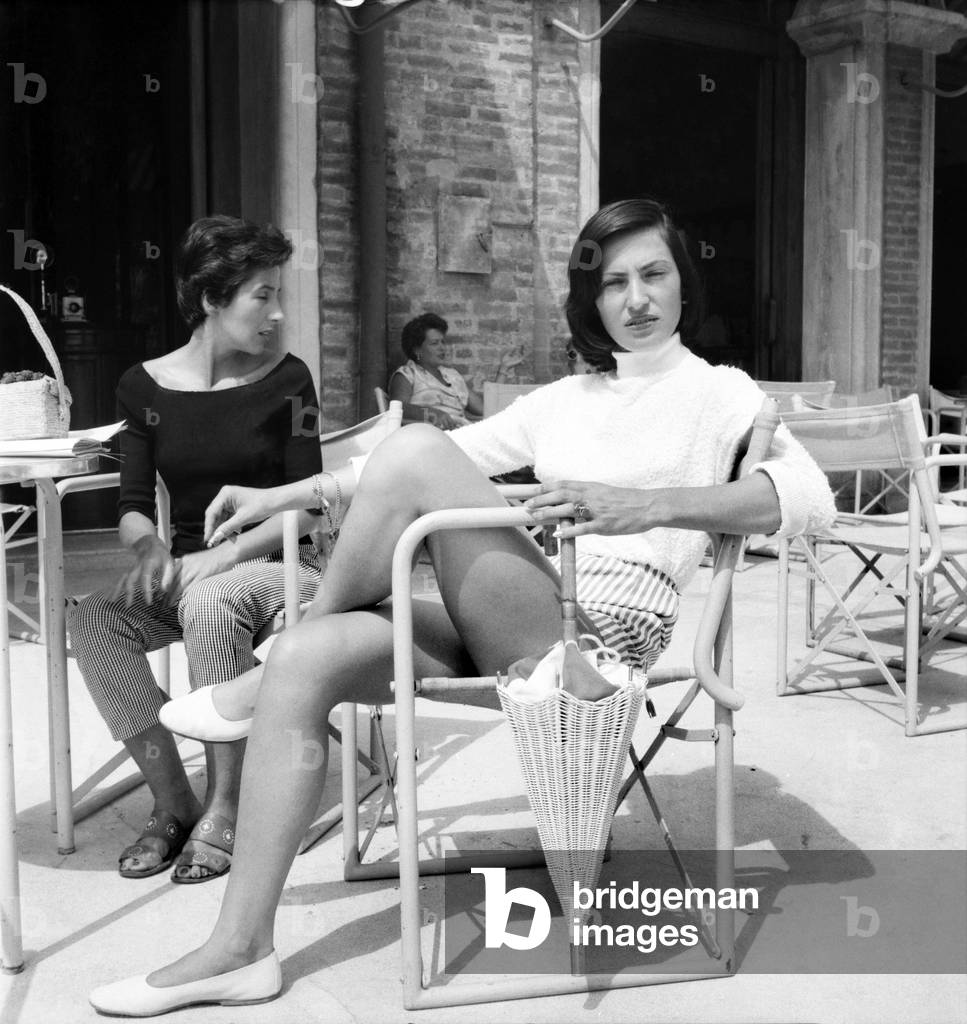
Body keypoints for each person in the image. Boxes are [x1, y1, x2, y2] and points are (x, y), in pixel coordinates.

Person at [89, 197, 835, 1015]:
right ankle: (238, 951)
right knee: (311, 656)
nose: (636, 299)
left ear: (684, 283)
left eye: (654, 274)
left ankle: (256, 674)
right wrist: (285, 492)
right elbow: (423, 462)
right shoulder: (569, 398)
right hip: (514, 618)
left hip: (598, 642)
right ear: (592, 300)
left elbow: (808, 496)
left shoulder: (718, 392)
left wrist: (642, 506)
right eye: (614, 282)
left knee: (415, 450)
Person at [69, 215, 323, 885]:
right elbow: (128, 504)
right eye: (260, 295)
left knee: (210, 599)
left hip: (281, 570)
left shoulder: (288, 379)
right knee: (92, 618)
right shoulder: (142, 387)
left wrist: (225, 556)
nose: (276, 312)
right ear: (211, 299)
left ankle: (227, 805)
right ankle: (172, 798)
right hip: (185, 571)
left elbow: (307, 505)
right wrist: (149, 547)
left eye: (278, 294)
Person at [388, 312, 523, 428]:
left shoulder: (452, 376)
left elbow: (484, 408)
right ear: (417, 349)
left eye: (443, 342)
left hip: (461, 435)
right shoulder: (408, 374)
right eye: (435, 343)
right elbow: (398, 408)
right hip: (427, 438)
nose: (442, 348)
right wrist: (432, 413)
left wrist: (504, 369)